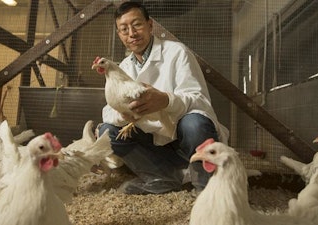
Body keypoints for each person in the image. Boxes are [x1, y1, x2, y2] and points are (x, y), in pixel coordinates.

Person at [98, 1, 229, 195]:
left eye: (137, 25)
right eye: (124, 29)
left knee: (195, 123)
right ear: (119, 35)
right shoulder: (123, 67)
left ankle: (206, 188)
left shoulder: (177, 52)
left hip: (186, 142)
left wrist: (166, 100)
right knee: (107, 131)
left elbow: (199, 100)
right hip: (153, 147)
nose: (131, 33)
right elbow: (108, 110)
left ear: (150, 25)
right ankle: (161, 177)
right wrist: (124, 115)